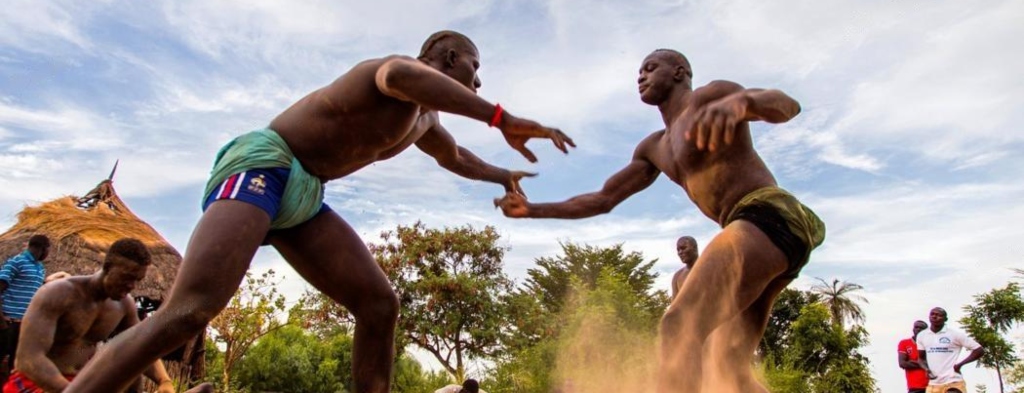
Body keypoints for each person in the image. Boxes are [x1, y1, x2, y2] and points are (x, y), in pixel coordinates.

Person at [65, 30, 573, 393]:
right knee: (190, 311)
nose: (479, 84)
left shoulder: (426, 120)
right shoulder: (396, 72)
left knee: (380, 305)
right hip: (268, 163)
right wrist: (501, 118)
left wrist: (502, 176)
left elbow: (456, 157)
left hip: (306, 196)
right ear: (447, 55)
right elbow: (401, 75)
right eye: (473, 68)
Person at [495, 48, 824, 393]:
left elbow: (786, 105)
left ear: (680, 72)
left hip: (767, 213)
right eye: (639, 72)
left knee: (679, 325)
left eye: (650, 68)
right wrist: (533, 209)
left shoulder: (710, 97)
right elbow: (603, 199)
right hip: (768, 239)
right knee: (729, 366)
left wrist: (741, 104)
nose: (641, 76)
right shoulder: (654, 147)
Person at [6, 238, 212, 393]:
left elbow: (141, 346)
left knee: (132, 374)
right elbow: (28, 360)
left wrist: (164, 381)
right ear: (106, 267)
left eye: (137, 281)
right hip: (38, 382)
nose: (131, 286)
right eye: (126, 278)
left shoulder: (123, 306)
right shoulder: (58, 294)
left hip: (82, 383)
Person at [0, 235, 50, 383]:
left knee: (16, 364)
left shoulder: (40, 268)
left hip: (25, 324)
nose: (48, 254)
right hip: (8, 322)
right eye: (48, 250)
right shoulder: (16, 262)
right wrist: (2, 320)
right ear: (43, 248)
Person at [917, 307, 985, 393]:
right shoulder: (922, 335)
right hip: (934, 384)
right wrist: (926, 369)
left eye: (939, 315)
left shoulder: (954, 335)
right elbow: (921, 359)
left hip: (953, 382)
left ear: (945, 319)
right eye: (932, 314)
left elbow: (979, 350)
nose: (934, 317)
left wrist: (959, 365)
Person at [899, 320, 929, 393]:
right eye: (916, 327)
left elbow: (937, 363)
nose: (918, 329)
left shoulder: (931, 344)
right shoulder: (904, 343)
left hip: (932, 385)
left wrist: (912, 362)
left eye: (921, 328)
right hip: (914, 386)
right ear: (913, 329)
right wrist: (924, 363)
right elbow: (902, 363)